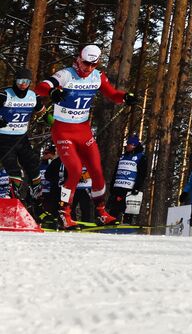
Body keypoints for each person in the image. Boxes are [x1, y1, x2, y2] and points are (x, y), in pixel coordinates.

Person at [34, 44, 135, 228]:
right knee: (74, 169)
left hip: (83, 130)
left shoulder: (97, 76)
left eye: (93, 65)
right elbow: (41, 87)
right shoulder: (65, 74)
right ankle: (64, 214)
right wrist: (52, 91)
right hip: (63, 130)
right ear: (78, 59)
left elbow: (112, 94)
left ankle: (102, 213)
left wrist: (125, 97)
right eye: (85, 63)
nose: (88, 68)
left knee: (96, 171)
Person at [0, 66, 42, 202]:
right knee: (13, 169)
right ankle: (12, 198)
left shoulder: (33, 96)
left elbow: (43, 112)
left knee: (33, 165)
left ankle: (36, 198)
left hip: (22, 139)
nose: (23, 84)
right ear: (15, 80)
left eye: (26, 81)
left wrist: (53, 122)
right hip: (4, 139)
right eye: (20, 81)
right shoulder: (5, 94)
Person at [108, 135, 147, 225]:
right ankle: (110, 225)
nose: (127, 146)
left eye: (130, 144)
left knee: (128, 211)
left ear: (135, 145)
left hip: (130, 188)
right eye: (127, 144)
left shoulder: (141, 157)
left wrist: (137, 187)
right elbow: (116, 172)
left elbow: (142, 174)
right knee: (114, 209)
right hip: (118, 187)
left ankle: (127, 226)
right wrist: (112, 185)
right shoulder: (122, 157)